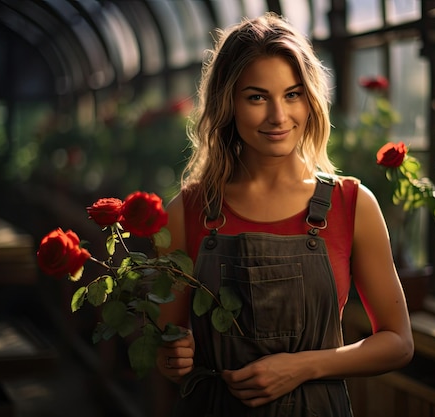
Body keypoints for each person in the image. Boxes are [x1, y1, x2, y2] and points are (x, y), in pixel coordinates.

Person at [156, 12, 413, 416]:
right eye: (257, 97)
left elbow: (399, 342)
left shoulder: (352, 204)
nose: (279, 116)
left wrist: (304, 366)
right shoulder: (186, 211)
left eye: (292, 94)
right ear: (229, 103)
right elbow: (165, 341)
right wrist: (171, 357)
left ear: (310, 99)